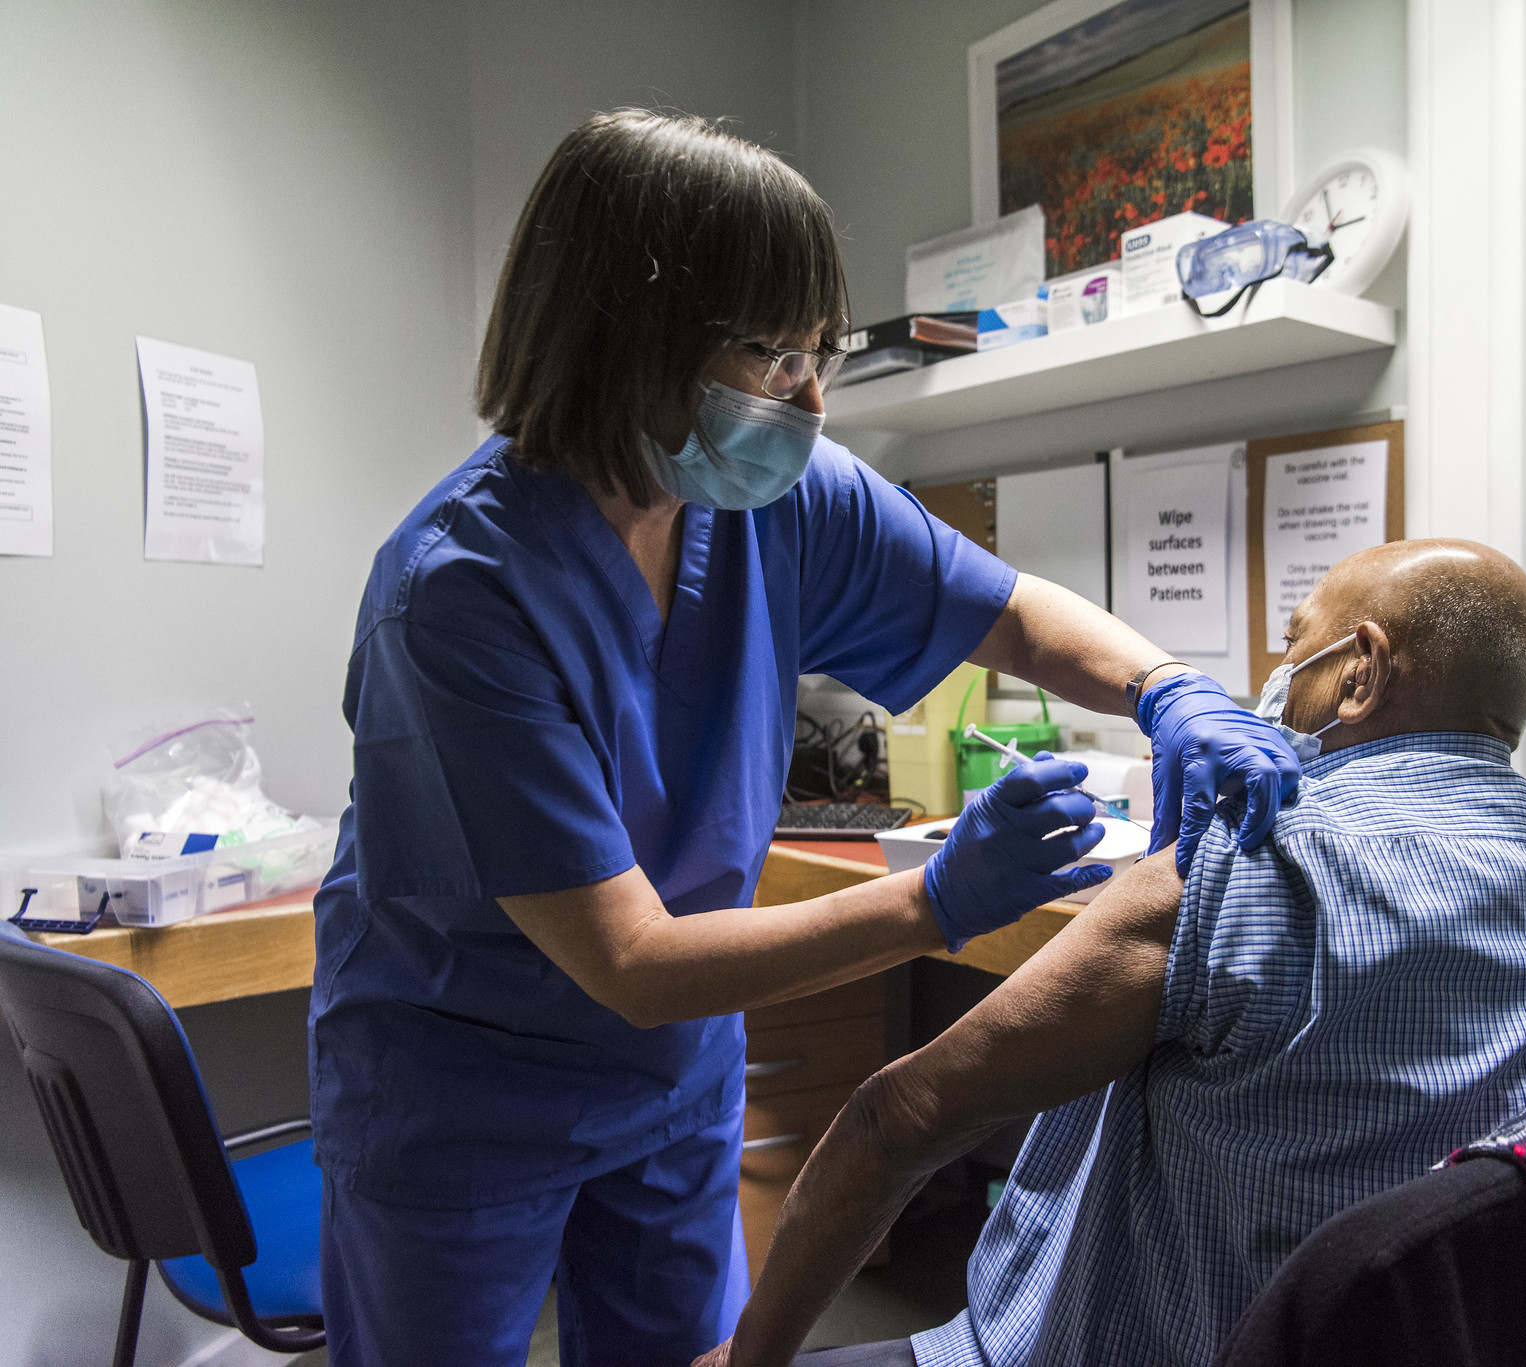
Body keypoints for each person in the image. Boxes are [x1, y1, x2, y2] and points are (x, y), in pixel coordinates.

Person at [308, 110, 1299, 1367]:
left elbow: (1007, 612)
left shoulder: (782, 498)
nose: (812, 399)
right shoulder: (459, 589)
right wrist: (935, 901)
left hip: (671, 1078)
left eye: (817, 352)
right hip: (458, 1091)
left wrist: (1166, 687)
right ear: (629, 339)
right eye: (773, 355)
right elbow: (631, 957)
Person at [696, 538, 1526, 1367]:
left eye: (1296, 641)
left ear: (1360, 672)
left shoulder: (1244, 863)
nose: (1278, 672)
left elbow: (897, 1117)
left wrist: (748, 1356)